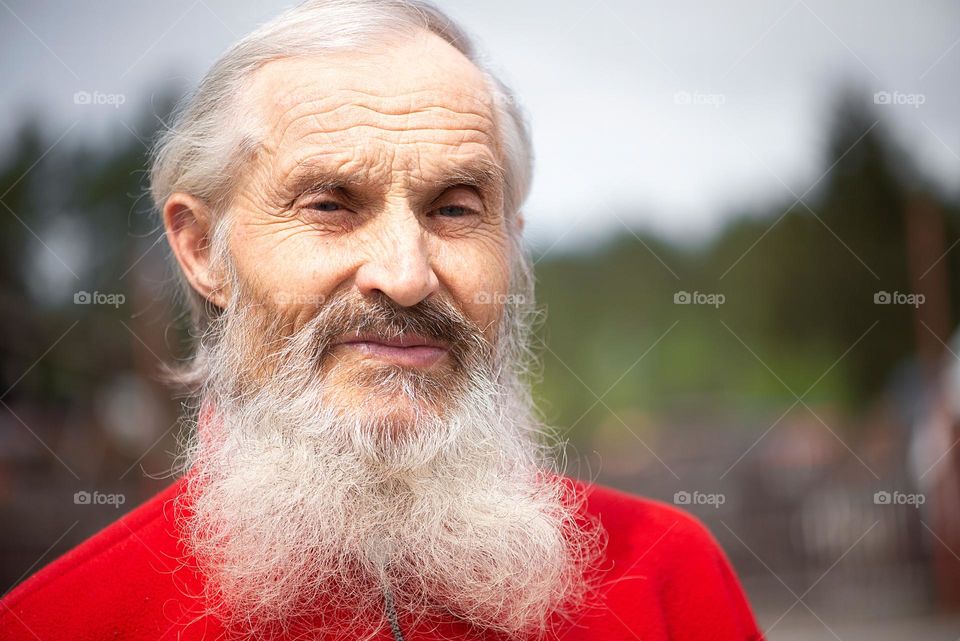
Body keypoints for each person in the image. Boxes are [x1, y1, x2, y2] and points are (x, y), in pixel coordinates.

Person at [0, 1, 763, 639]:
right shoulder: (60, 621)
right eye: (330, 204)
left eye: (455, 208)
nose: (405, 276)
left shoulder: (667, 578)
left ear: (512, 247)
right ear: (202, 250)